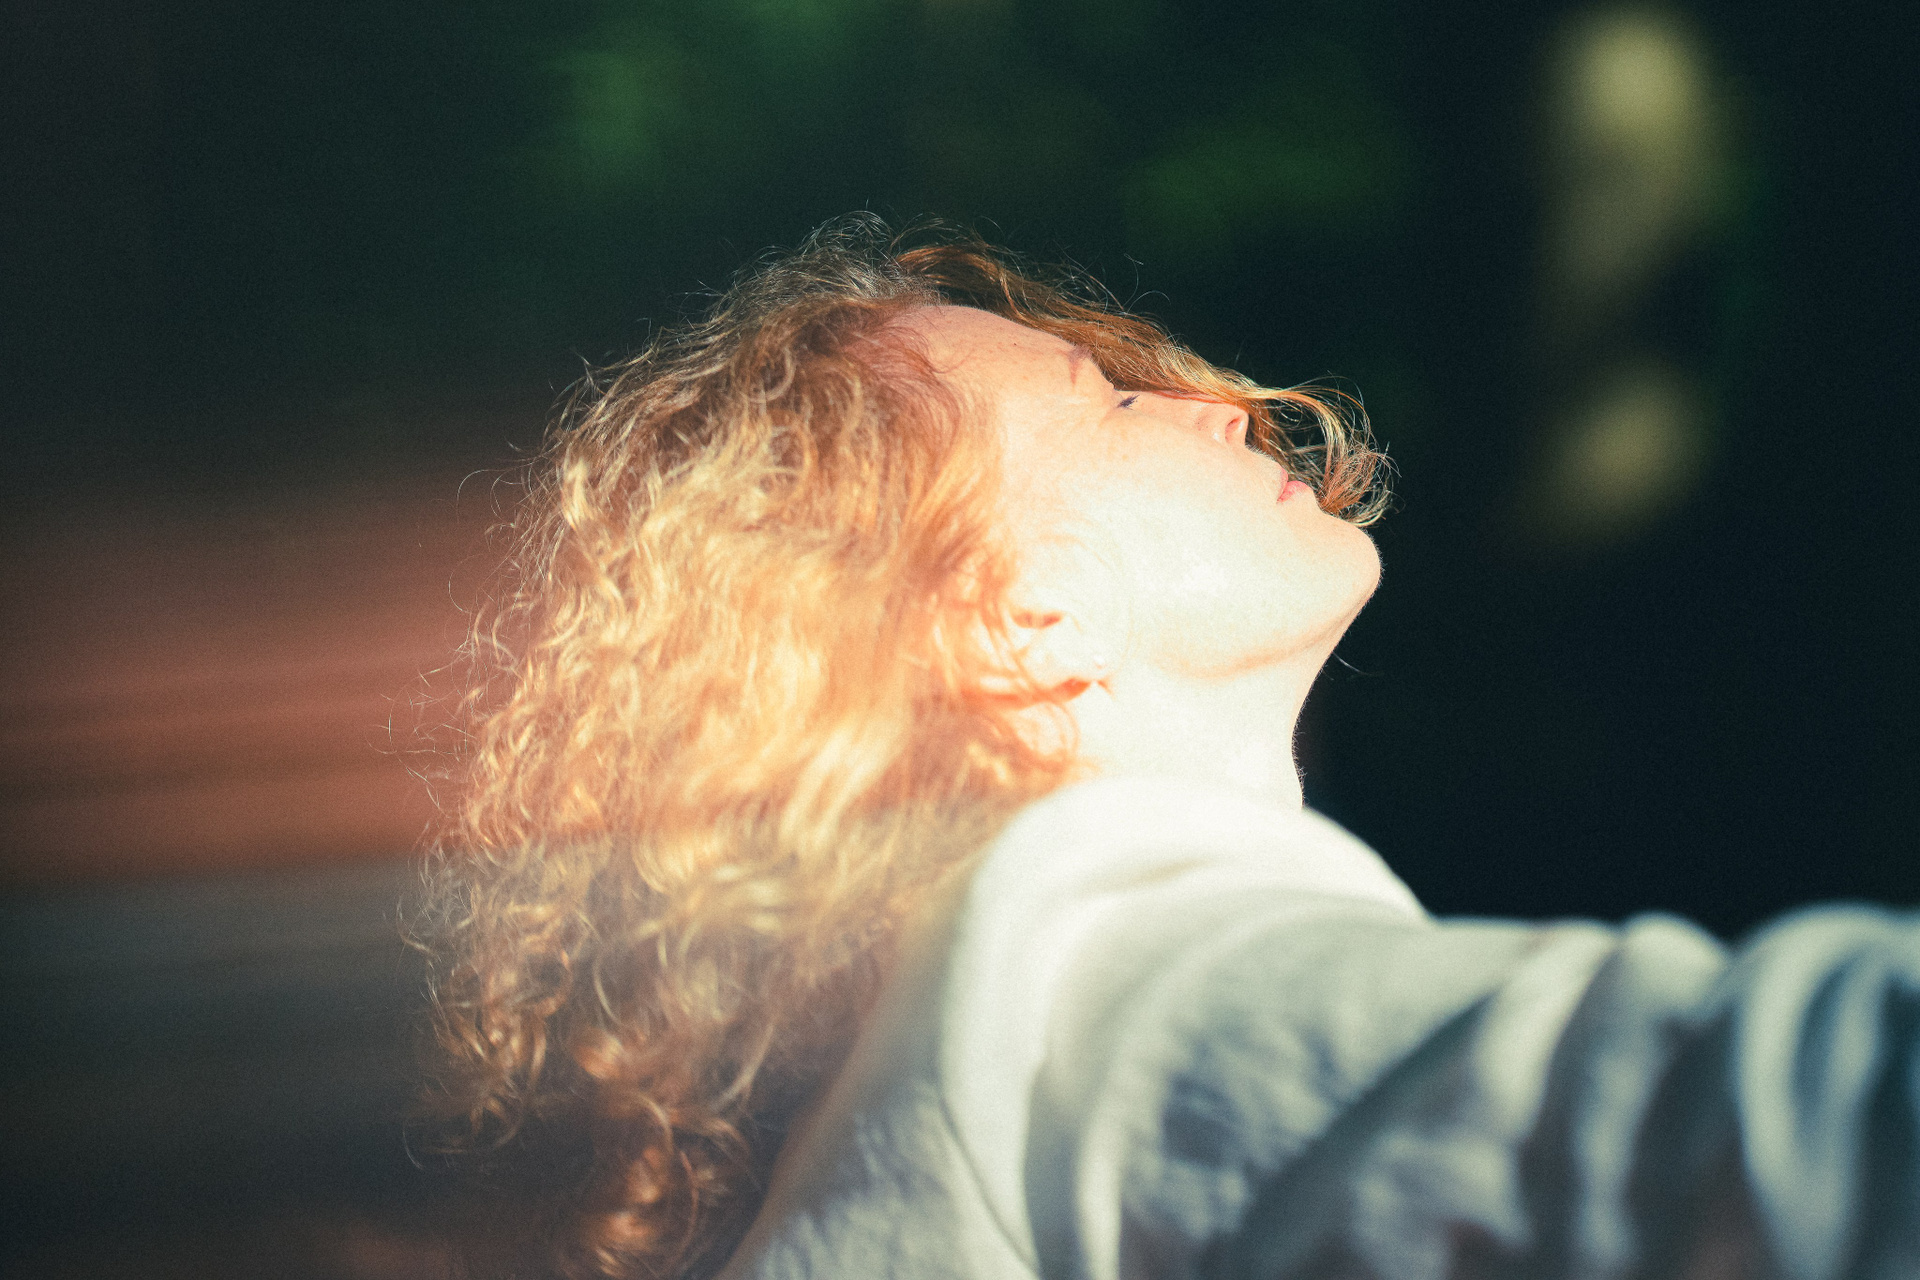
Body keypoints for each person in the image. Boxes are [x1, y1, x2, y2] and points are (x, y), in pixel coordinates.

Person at [419, 219, 1920, 1280]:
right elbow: (1767, 1132)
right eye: (1114, 402)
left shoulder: (937, 1080)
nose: (1217, 408)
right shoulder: (1095, 990)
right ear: (1012, 622)